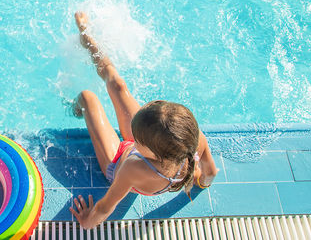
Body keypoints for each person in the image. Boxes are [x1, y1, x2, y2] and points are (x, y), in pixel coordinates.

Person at [69, 12, 218, 229]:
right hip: (157, 148)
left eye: (135, 137)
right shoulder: (193, 140)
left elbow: (105, 208)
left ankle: (74, 110)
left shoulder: (133, 167)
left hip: (116, 162)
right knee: (118, 85)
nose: (131, 136)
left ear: (146, 148)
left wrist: (86, 223)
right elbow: (211, 173)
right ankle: (88, 38)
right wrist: (201, 184)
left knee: (87, 97)